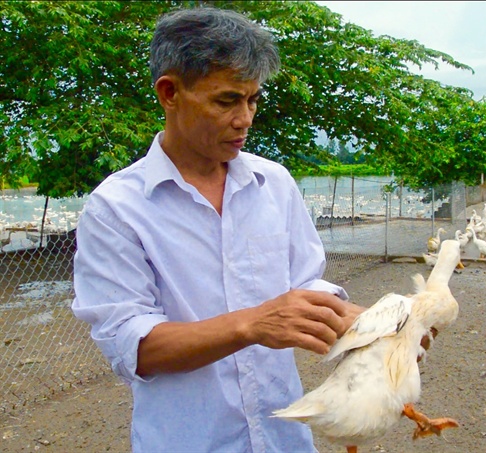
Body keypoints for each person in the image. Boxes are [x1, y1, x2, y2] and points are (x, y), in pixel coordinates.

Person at [72, 6, 363, 452]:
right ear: (169, 92)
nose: (245, 118)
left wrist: (364, 323)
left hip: (284, 439)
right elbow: (135, 347)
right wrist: (253, 323)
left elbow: (305, 281)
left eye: (253, 100)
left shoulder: (274, 183)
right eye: (226, 100)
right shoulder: (117, 208)